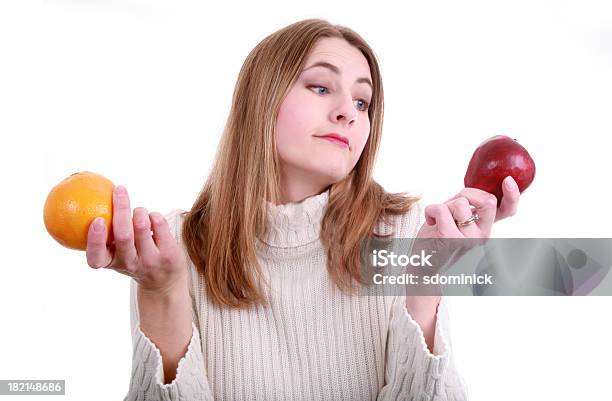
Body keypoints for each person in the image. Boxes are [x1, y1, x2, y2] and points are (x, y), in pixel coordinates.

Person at [86, 18, 520, 401]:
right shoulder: (173, 249)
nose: (347, 113)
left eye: (362, 102)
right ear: (262, 99)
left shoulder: (406, 232)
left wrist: (425, 282)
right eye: (320, 87)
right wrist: (160, 291)